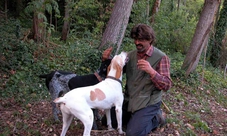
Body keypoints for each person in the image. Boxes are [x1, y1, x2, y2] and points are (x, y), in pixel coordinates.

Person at [102, 23, 172, 136]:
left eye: (141, 40)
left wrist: (152, 72)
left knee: (133, 133)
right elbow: (116, 72)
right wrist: (107, 61)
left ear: (150, 40)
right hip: (129, 100)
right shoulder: (130, 55)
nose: (137, 43)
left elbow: (167, 85)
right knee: (106, 122)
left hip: (148, 103)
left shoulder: (161, 57)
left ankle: (157, 118)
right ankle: (134, 117)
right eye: (135, 39)